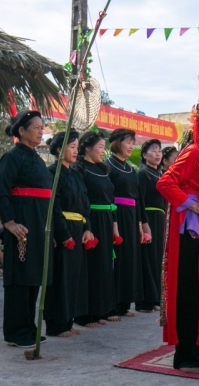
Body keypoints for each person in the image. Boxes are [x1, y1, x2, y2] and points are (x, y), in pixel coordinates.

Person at [156, 100, 199, 373]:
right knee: (191, 288)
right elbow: (165, 182)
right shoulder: (195, 152)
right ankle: (188, 353)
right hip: (193, 230)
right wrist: (194, 204)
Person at [0, 110, 53, 347]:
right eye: (37, 128)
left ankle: (28, 328)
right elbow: (1, 191)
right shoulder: (12, 156)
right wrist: (10, 222)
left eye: (42, 128)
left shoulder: (37, 158)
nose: (41, 131)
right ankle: (16, 332)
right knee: (20, 279)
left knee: (33, 277)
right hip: (21, 225)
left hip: (38, 225)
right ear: (22, 131)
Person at [44, 131, 93, 338]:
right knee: (60, 278)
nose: (75, 151)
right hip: (62, 230)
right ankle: (56, 325)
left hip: (78, 228)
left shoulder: (76, 173)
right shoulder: (52, 173)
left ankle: (69, 320)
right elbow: (53, 206)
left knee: (74, 277)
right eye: (71, 147)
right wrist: (63, 234)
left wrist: (88, 228)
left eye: (76, 147)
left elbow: (85, 203)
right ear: (58, 150)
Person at [75, 131, 116, 328]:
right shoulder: (80, 169)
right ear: (87, 147)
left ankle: (101, 310)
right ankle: (85, 315)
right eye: (100, 147)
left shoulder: (103, 169)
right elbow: (81, 199)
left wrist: (115, 226)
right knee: (89, 267)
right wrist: (86, 226)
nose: (103, 151)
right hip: (91, 220)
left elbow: (110, 198)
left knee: (104, 266)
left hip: (107, 220)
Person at [107, 129, 149, 319]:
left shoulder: (131, 169)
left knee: (130, 259)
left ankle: (124, 303)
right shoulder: (108, 166)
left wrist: (141, 223)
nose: (132, 146)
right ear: (116, 143)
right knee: (118, 258)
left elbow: (138, 199)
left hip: (132, 216)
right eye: (128, 142)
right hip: (117, 214)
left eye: (133, 143)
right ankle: (113, 304)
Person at [136, 139, 166, 313]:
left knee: (157, 260)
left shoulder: (162, 175)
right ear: (144, 154)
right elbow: (140, 200)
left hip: (160, 218)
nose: (157, 154)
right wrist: (143, 223)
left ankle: (155, 297)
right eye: (153, 150)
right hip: (148, 217)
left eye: (159, 151)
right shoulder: (142, 174)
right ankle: (144, 301)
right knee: (147, 258)